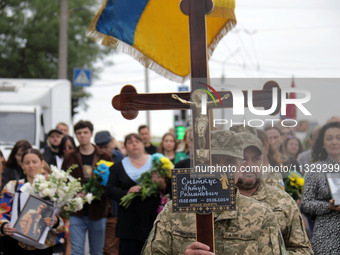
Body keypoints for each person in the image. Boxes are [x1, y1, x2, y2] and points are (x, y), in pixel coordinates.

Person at [142, 130, 283, 254]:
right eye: (213, 162)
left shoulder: (261, 215)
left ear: (241, 168)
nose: (220, 169)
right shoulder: (173, 212)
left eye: (229, 162)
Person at [236, 131, 312, 254]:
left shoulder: (283, 200)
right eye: (243, 159)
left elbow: (303, 250)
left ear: (263, 160)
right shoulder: (218, 201)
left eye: (256, 159)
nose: (249, 165)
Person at [106, 133, 164, 255]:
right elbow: (110, 189)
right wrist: (126, 192)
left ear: (143, 144)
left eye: (137, 141)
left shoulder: (156, 163)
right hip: (128, 222)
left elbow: (168, 187)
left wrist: (161, 184)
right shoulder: (118, 166)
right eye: (130, 142)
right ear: (125, 147)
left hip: (151, 218)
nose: (134, 144)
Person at [0, 148, 65, 254]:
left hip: (42, 246)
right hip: (14, 244)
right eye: (27, 162)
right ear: (22, 165)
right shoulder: (12, 187)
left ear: (42, 163)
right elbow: (1, 212)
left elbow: (63, 220)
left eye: (34, 162)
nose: (31, 165)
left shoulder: (54, 190)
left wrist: (55, 222)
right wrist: (4, 226)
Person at [62, 120, 112, 255]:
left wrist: (96, 193)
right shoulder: (69, 157)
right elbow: (63, 182)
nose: (82, 135)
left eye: (85, 132)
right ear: (75, 136)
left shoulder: (104, 156)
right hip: (76, 211)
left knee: (97, 251)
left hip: (98, 209)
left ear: (91, 134)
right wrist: (73, 195)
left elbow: (110, 183)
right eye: (79, 133)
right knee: (77, 251)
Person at [300, 121, 340, 254]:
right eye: (329, 138)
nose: (334, 142)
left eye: (338, 138)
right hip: (326, 236)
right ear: (322, 143)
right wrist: (328, 206)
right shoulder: (315, 169)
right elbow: (305, 204)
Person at [94, 130, 124, 255]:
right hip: (98, 209)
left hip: (115, 209)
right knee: (98, 247)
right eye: (100, 147)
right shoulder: (95, 158)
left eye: (106, 146)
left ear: (112, 142)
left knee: (111, 247)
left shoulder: (121, 158)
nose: (104, 150)